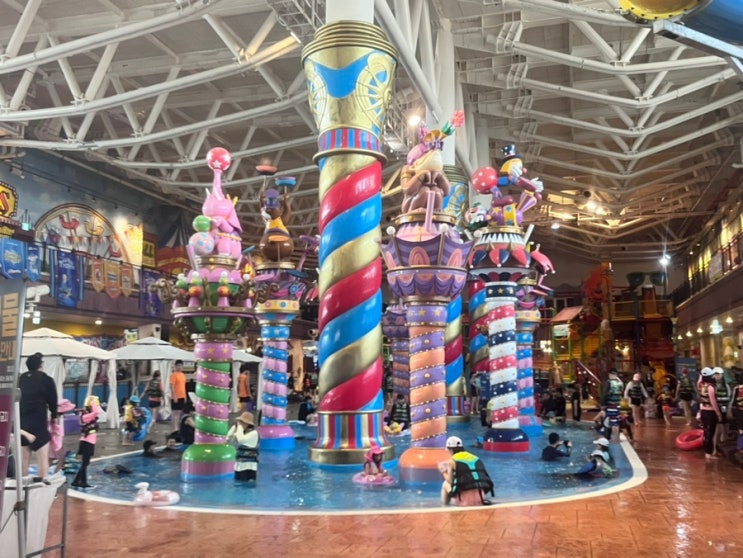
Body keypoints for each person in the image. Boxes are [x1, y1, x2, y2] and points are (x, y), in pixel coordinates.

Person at [19, 353, 59, 480]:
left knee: (24, 460)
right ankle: (43, 481)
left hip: (23, 422)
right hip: (39, 422)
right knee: (42, 459)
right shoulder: (46, 379)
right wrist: (54, 415)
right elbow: (53, 400)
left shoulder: (20, 379)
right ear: (40, 365)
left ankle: (22, 486)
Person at [440, 436, 494, 506]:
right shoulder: (475, 458)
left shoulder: (452, 461)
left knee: (445, 484)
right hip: (481, 498)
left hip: (464, 501)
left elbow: (451, 481)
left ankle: (444, 506)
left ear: (451, 450)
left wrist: (443, 472)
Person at [71, 395, 100, 489]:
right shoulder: (86, 416)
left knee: (85, 463)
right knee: (85, 463)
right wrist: (93, 402)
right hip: (87, 442)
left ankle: (77, 481)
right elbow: (96, 412)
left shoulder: (88, 416)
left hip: (89, 441)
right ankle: (82, 482)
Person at [698, 366, 723, 459]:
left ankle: (708, 452)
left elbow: (699, 381)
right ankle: (708, 453)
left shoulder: (701, 385)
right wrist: (718, 414)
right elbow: (713, 402)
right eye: (712, 375)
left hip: (703, 411)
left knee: (706, 433)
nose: (713, 377)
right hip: (710, 413)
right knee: (710, 434)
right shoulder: (711, 387)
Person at [227, 412, 259, 481]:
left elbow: (241, 440)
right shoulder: (241, 433)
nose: (240, 424)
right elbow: (228, 438)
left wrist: (240, 427)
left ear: (248, 424)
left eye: (242, 422)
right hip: (239, 466)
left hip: (249, 467)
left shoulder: (254, 434)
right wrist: (235, 426)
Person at [712, 366, 732, 456]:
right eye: (715, 374)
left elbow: (729, 397)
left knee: (726, 430)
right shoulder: (712, 386)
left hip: (725, 409)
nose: (717, 376)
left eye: (718, 374)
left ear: (722, 375)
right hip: (716, 410)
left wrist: (729, 409)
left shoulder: (726, 386)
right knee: (718, 430)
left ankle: (723, 448)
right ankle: (714, 449)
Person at [601, 369, 624, 441]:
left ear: (610, 375)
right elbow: (622, 392)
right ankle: (617, 438)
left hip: (611, 405)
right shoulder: (620, 383)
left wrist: (602, 404)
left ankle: (616, 439)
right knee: (616, 421)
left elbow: (604, 394)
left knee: (613, 422)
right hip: (618, 404)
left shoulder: (608, 382)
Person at [169, 360, 187, 432]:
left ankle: (177, 427)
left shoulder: (183, 375)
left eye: (180, 366)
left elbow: (183, 386)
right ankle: (174, 428)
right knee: (174, 413)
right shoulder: (173, 375)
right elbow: (172, 386)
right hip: (176, 396)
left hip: (182, 396)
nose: (179, 367)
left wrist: (185, 396)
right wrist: (174, 396)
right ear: (175, 366)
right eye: (178, 365)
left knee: (179, 413)